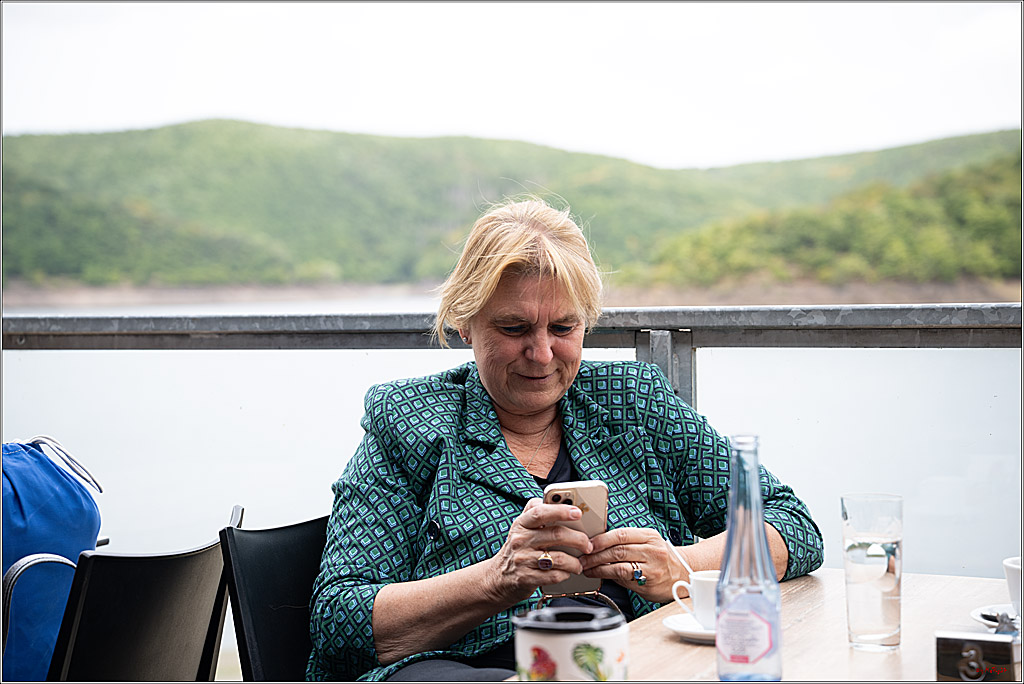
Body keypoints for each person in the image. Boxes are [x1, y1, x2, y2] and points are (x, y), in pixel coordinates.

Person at [307, 198, 824, 681]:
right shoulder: (410, 421)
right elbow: (339, 622)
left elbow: (792, 529)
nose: (541, 353)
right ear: (466, 324)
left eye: (563, 326)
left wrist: (681, 565)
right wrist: (496, 580)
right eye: (514, 328)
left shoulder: (633, 401)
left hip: (635, 663)